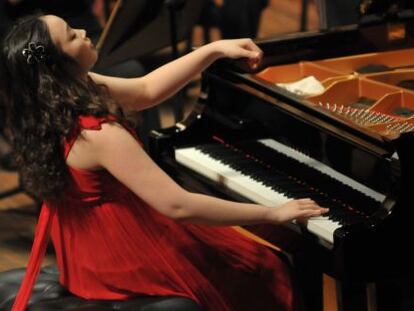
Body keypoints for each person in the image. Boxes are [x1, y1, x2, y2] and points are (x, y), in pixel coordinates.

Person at [0, 14, 328, 311]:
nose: (85, 31)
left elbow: (145, 89)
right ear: (61, 64)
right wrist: (272, 213)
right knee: (263, 267)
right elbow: (178, 206)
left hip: (85, 250)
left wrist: (211, 50)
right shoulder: (97, 133)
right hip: (118, 257)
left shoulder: (53, 97)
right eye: (72, 35)